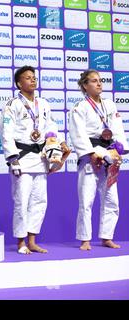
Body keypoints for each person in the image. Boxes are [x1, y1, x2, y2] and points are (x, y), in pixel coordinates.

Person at [0, 65, 70, 254]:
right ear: (18, 83)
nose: (32, 80)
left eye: (34, 77)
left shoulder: (43, 104)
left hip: (40, 158)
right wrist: (12, 158)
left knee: (40, 201)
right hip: (21, 157)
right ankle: (21, 242)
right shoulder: (12, 104)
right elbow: (6, 133)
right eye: (28, 78)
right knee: (21, 200)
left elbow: (52, 126)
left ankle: (32, 240)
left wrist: (61, 143)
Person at [68, 69, 129, 250]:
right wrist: (91, 153)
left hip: (110, 154)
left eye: (100, 80)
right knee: (86, 200)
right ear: (85, 86)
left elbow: (117, 129)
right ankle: (85, 239)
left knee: (112, 200)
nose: (99, 83)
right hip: (91, 156)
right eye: (94, 81)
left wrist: (120, 150)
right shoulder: (80, 107)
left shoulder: (109, 105)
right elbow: (77, 134)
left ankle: (106, 236)